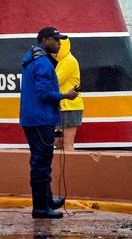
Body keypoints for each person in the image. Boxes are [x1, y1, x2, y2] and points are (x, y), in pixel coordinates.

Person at [20, 26, 79, 219]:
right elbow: (44, 93)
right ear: (44, 40)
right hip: (41, 119)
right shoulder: (44, 63)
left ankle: (47, 201)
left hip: (32, 118)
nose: (59, 43)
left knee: (42, 161)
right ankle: (40, 208)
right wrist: (66, 95)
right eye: (56, 39)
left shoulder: (32, 59)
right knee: (41, 163)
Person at [54, 37, 82, 150]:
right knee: (57, 141)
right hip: (62, 106)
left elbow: (55, 80)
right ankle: (64, 167)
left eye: (57, 46)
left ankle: (71, 167)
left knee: (67, 143)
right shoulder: (61, 62)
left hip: (70, 107)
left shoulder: (69, 61)